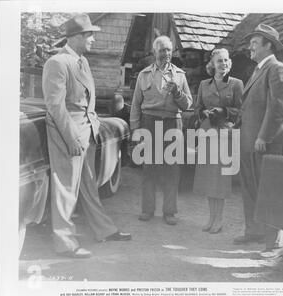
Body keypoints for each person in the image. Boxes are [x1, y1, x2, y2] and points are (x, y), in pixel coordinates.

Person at [42, 14, 131, 259]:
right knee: (66, 189)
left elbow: (86, 103)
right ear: (77, 37)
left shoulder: (82, 61)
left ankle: (104, 230)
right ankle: (64, 243)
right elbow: (56, 106)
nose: (93, 39)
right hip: (67, 133)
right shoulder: (57, 62)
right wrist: (71, 138)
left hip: (87, 132)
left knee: (89, 186)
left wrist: (94, 129)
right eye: (89, 34)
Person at [235, 24, 283, 259]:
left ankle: (276, 243)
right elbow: (251, 106)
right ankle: (255, 232)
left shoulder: (278, 69)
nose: (250, 47)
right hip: (249, 141)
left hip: (263, 142)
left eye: (255, 43)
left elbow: (278, 107)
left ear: (269, 45)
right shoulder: (259, 70)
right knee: (250, 188)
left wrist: (263, 136)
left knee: (269, 191)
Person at [130, 35, 192, 225]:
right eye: (162, 50)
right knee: (149, 168)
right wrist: (135, 130)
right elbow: (135, 105)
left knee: (172, 169)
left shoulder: (180, 75)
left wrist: (177, 92)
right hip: (149, 122)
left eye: (169, 50)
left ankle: (169, 212)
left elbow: (188, 104)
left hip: (173, 122)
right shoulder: (144, 75)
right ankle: (147, 210)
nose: (166, 54)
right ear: (155, 52)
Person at [193, 48, 244, 234]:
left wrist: (225, 112)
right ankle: (211, 217)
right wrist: (203, 113)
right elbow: (197, 107)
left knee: (220, 178)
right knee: (208, 176)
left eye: (225, 60)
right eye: (219, 61)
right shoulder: (203, 85)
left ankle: (220, 218)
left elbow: (242, 110)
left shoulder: (236, 84)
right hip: (207, 131)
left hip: (224, 132)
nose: (223, 64)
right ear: (212, 65)